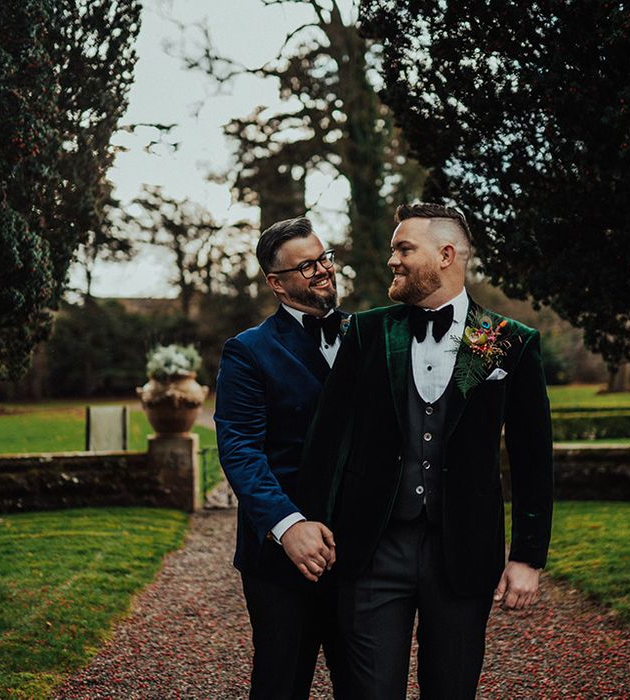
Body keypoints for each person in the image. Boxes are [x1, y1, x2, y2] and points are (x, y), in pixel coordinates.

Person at [298, 202, 554, 699]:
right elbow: (327, 442)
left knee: (452, 690)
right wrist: (310, 523)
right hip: (373, 549)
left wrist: (528, 556)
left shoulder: (506, 341)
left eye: (403, 249)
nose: (391, 260)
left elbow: (532, 457)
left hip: (463, 553)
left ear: (446, 254)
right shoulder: (368, 333)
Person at [214, 216, 350, 699]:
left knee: (367, 683)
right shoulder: (248, 352)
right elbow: (240, 450)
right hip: (279, 556)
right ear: (276, 283)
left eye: (324, 258)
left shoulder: (368, 337)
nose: (322, 271)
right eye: (306, 266)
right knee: (281, 682)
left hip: (361, 550)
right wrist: (288, 525)